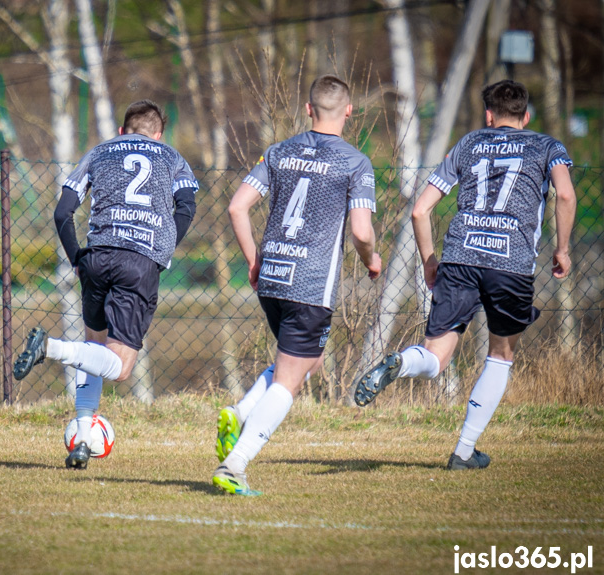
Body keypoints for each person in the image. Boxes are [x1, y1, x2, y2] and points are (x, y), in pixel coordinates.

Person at [353, 80, 577, 470]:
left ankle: (403, 362)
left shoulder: (469, 143)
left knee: (436, 356)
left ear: (488, 115)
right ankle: (463, 450)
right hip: (510, 261)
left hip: (460, 257)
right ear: (525, 116)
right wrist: (562, 248)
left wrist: (428, 260)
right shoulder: (547, 146)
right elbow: (565, 195)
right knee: (501, 354)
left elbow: (420, 211)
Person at [213, 75, 382, 496]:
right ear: (348, 112)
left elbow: (237, 207)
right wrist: (371, 258)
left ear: (308, 110)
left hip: (272, 276)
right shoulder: (355, 162)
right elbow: (362, 232)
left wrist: (254, 260)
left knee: (306, 362)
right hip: (310, 285)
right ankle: (235, 464)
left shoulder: (278, 152)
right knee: (291, 379)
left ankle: (240, 411)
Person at [12, 100, 198, 469]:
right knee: (120, 367)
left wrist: (77, 258)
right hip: (138, 261)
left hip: (97, 256)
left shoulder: (99, 153)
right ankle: (48, 347)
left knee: (93, 347)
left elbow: (63, 211)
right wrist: (161, 250)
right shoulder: (172, 156)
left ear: (122, 131)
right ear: (158, 135)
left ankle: (82, 440)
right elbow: (186, 206)